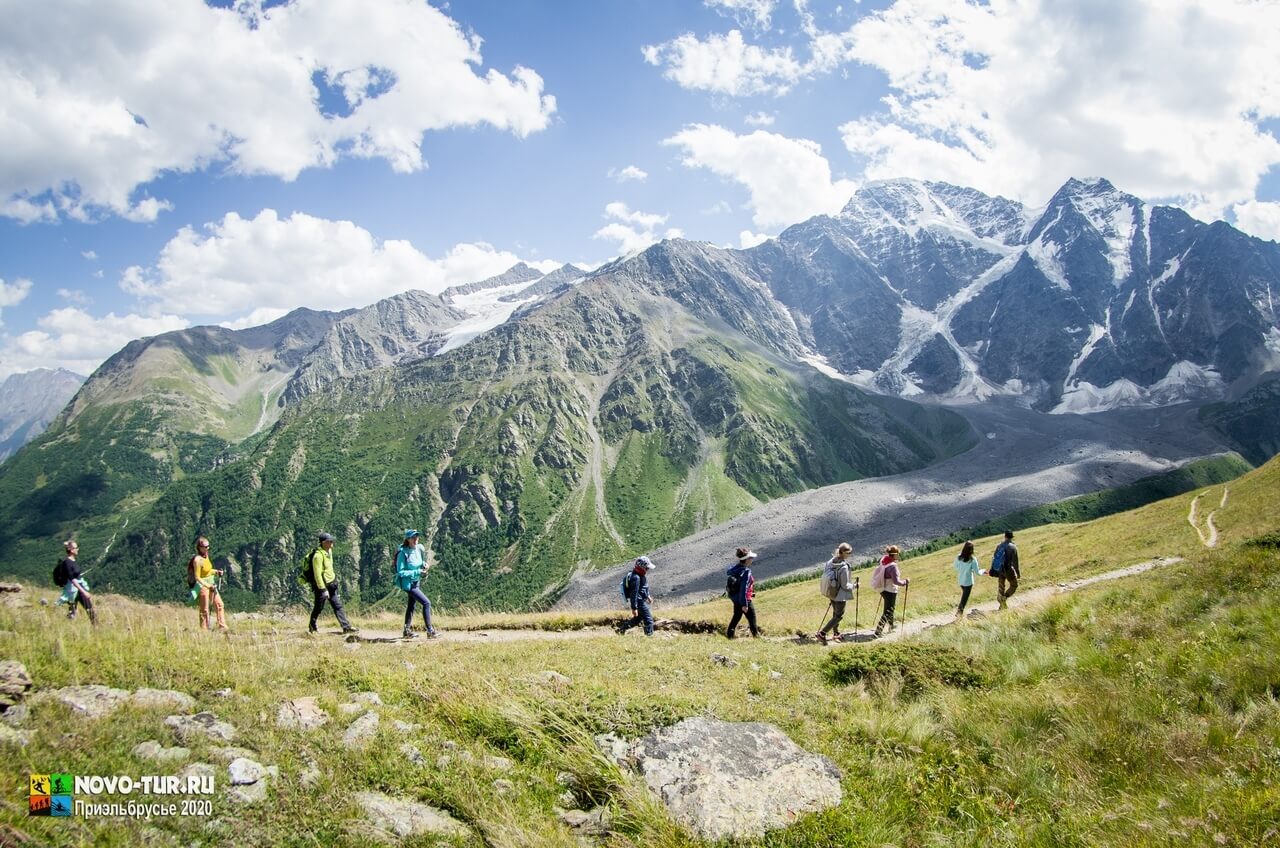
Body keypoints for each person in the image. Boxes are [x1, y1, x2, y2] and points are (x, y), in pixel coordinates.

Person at [308, 532, 357, 635]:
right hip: (322, 586)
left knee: (338, 606)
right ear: (323, 542)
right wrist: (323, 590)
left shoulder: (329, 551)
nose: (332, 542)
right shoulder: (318, 556)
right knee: (318, 607)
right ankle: (312, 627)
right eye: (330, 541)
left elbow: (329, 568)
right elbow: (317, 575)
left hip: (331, 584)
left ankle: (346, 627)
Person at [395, 530, 437, 639]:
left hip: (416, 582)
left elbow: (418, 562)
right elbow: (401, 572)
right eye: (413, 537)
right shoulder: (403, 553)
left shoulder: (419, 548)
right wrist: (417, 572)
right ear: (408, 539)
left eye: (417, 537)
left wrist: (424, 565)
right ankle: (430, 631)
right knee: (426, 603)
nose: (415, 539)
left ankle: (406, 631)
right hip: (408, 584)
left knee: (411, 605)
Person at [816, 542, 855, 644]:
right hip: (840, 595)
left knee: (835, 613)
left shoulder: (830, 562)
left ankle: (836, 633)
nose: (850, 555)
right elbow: (845, 586)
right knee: (839, 615)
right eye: (849, 553)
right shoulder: (844, 567)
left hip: (831, 591)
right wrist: (855, 586)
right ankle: (822, 633)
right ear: (844, 553)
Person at [189, 537, 227, 631]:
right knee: (204, 609)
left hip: (211, 584)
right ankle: (204, 630)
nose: (207, 548)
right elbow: (197, 577)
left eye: (208, 546)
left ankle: (222, 626)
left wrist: (216, 572)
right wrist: (208, 586)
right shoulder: (197, 560)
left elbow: (208, 571)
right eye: (205, 547)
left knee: (219, 604)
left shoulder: (206, 556)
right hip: (203, 586)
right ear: (200, 547)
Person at [56, 539, 96, 625]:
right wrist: (84, 592)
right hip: (73, 591)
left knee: (89, 609)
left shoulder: (73, 561)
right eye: (76, 547)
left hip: (77, 589)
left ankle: (96, 627)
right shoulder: (67, 562)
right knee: (73, 612)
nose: (78, 549)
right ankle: (67, 628)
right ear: (71, 550)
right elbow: (72, 579)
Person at [874, 545, 908, 637]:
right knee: (888, 610)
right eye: (898, 554)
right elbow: (896, 581)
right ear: (895, 555)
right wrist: (905, 582)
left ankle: (891, 626)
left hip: (882, 589)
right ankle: (878, 631)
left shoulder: (883, 561)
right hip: (890, 590)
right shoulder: (893, 566)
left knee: (890, 608)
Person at [725, 548, 759, 638]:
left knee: (737, 616)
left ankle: (729, 635)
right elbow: (743, 588)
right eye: (751, 557)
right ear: (747, 559)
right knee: (752, 618)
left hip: (736, 598)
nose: (752, 559)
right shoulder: (746, 571)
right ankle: (757, 636)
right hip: (744, 599)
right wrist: (745, 604)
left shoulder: (735, 569)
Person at [620, 556, 656, 636]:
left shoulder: (640, 575)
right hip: (639, 602)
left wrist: (648, 596)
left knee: (638, 619)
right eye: (646, 568)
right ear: (641, 567)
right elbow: (634, 593)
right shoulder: (636, 578)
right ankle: (649, 636)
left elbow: (643, 588)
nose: (647, 570)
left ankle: (621, 630)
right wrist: (634, 608)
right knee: (648, 618)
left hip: (641, 600)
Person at [953, 541, 985, 619]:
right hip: (968, 582)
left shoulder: (958, 557)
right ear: (972, 550)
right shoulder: (972, 559)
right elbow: (977, 572)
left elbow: (955, 567)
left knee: (964, 597)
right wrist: (983, 571)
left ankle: (960, 613)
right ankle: (959, 613)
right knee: (964, 599)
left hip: (961, 581)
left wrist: (962, 570)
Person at [993, 530, 1020, 610]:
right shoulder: (1013, 547)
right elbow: (1015, 562)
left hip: (1000, 570)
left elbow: (995, 557)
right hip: (1008, 569)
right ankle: (1005, 597)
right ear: (1011, 537)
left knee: (1001, 587)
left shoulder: (999, 546)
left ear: (1005, 536)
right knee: (1014, 585)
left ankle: (1002, 605)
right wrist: (1018, 573)